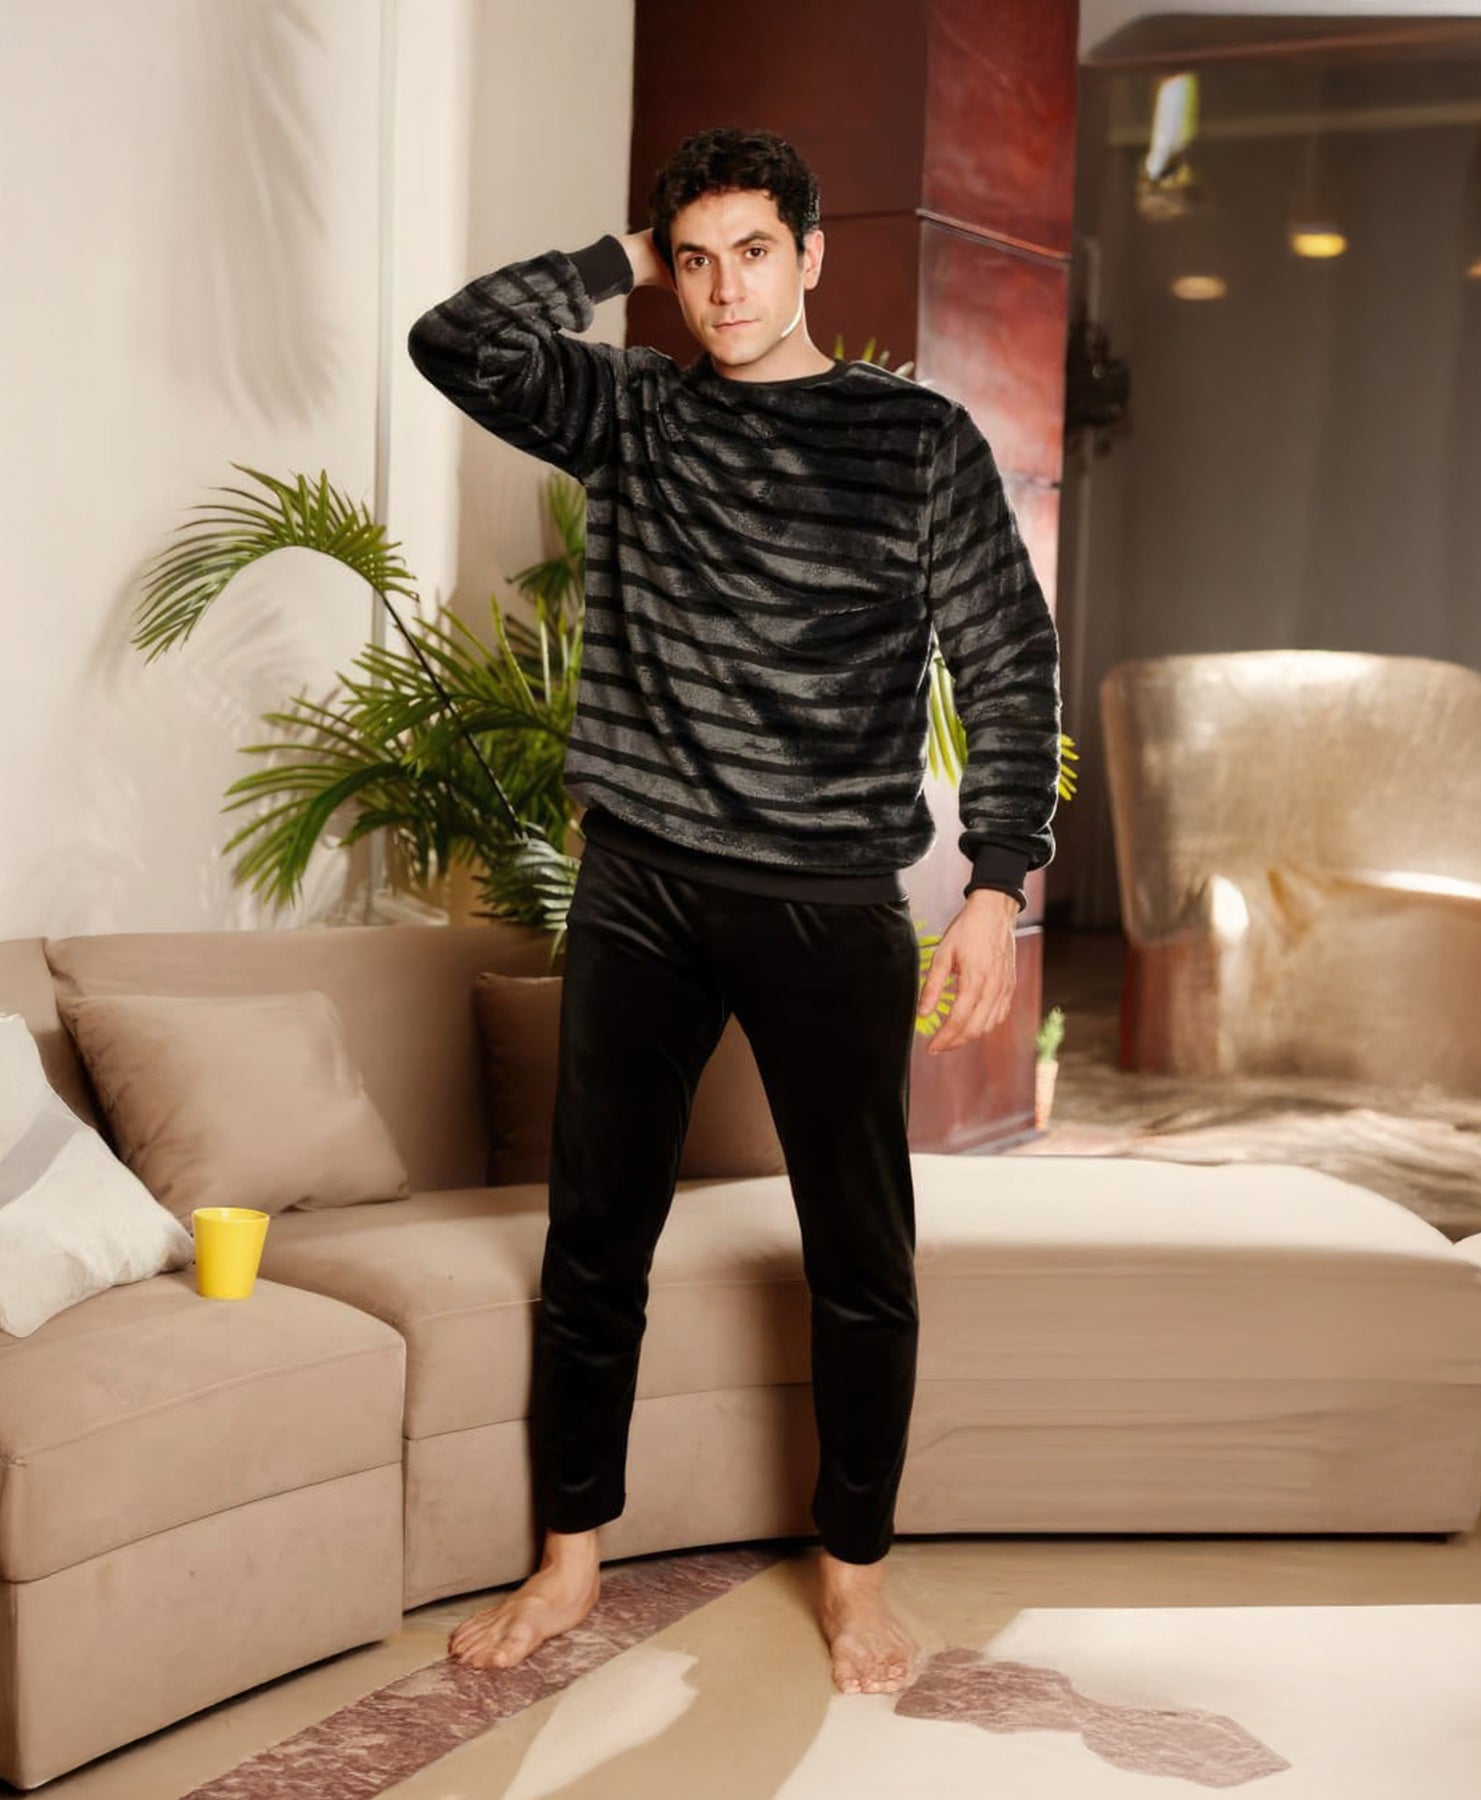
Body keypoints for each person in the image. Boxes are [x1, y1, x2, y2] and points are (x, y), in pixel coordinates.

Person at [407, 125, 1060, 1696]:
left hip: (830, 899)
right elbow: (454, 339)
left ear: (813, 254)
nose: (724, 289)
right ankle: (570, 1557)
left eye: (754, 252)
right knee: (595, 1241)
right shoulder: (631, 411)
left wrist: (994, 885)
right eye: (694, 261)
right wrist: (623, 258)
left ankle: (855, 1576)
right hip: (640, 885)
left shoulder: (917, 440)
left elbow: (1007, 662)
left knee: (859, 1255)